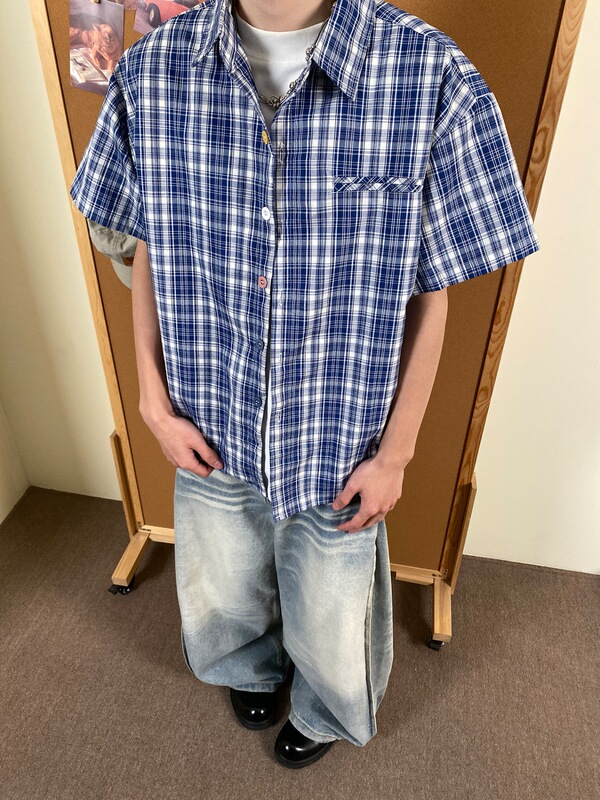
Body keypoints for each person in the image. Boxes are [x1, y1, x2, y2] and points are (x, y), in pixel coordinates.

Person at [69, 0, 540, 769]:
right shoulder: (151, 73)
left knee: (332, 609)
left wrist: (396, 455)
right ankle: (247, 667)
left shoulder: (430, 75)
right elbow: (147, 239)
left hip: (339, 433)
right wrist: (151, 398)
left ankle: (324, 710)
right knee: (224, 581)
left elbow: (431, 289)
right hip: (208, 410)